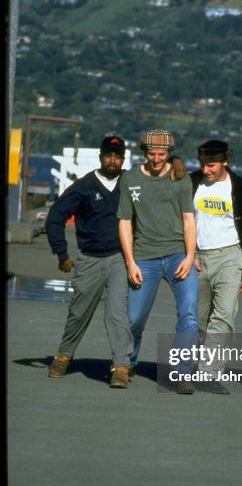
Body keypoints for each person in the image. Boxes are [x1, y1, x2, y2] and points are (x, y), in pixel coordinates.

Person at [45, 135, 134, 388]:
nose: (113, 160)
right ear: (100, 157)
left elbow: (161, 183)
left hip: (120, 257)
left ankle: (121, 367)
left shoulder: (131, 183)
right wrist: (62, 254)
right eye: (108, 155)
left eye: (117, 156)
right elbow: (56, 216)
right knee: (78, 313)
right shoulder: (84, 186)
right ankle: (63, 356)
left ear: (123, 158)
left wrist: (177, 165)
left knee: (117, 314)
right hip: (89, 259)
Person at [117, 129, 199, 394]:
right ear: (144, 152)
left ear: (169, 153)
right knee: (134, 318)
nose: (156, 159)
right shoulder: (130, 179)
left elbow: (189, 220)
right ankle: (127, 363)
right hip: (145, 256)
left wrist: (190, 256)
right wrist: (130, 262)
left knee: (188, 314)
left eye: (161, 154)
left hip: (178, 254)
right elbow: (125, 222)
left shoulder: (180, 178)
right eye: (151, 153)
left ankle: (182, 372)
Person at [190, 140, 242, 394]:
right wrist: (188, 255)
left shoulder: (241, 188)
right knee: (198, 319)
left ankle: (209, 374)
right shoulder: (191, 183)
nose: (206, 170)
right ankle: (197, 365)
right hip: (197, 256)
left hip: (231, 256)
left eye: (211, 165)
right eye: (202, 165)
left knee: (224, 316)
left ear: (225, 162)